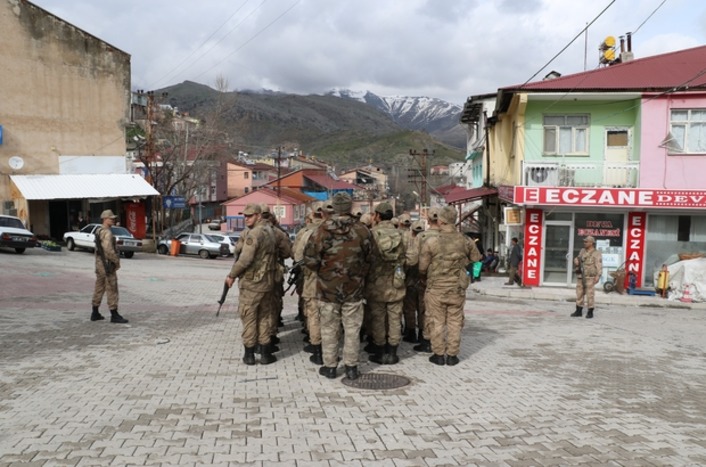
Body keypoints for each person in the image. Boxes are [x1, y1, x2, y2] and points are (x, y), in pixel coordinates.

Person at [303, 192, 372, 380]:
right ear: (350, 207)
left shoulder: (321, 230)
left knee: (328, 327)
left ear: (334, 207)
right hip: (354, 288)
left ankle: (330, 366)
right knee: (352, 329)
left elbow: (309, 260)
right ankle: (351, 367)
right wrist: (358, 273)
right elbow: (371, 257)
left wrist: (324, 272)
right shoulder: (362, 230)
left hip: (327, 288)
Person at [418, 206, 481, 365]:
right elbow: (476, 258)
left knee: (436, 321)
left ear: (440, 221)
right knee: (455, 321)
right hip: (457, 289)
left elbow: (422, 267)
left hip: (436, 289)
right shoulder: (466, 240)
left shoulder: (431, 241)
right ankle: (452, 356)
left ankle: (438, 355)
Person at [225, 203, 278, 365]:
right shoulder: (270, 231)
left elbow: (245, 259)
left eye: (250, 216)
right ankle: (265, 354)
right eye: (245, 216)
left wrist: (232, 275)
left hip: (252, 283)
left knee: (248, 317)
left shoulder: (254, 234)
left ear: (259, 216)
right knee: (264, 317)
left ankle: (249, 355)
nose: (246, 219)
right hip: (267, 281)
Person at [366, 202, 407, 365]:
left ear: (378, 215)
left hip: (376, 283)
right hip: (396, 282)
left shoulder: (371, 234)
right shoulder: (402, 234)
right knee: (395, 318)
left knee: (378, 318)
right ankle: (393, 353)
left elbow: (366, 258)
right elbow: (408, 259)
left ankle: (380, 352)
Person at [293, 204, 325, 364]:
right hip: (334, 285)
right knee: (332, 317)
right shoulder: (338, 232)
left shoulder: (306, 234)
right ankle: (331, 350)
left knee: (313, 316)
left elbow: (297, 256)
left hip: (312, 281)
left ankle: (317, 350)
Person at [90, 209, 128, 323]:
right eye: (111, 218)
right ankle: (114, 314)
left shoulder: (98, 231)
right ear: (105, 219)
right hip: (107, 265)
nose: (113, 220)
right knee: (112, 288)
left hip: (99, 264)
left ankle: (95, 312)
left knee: (99, 288)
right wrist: (116, 261)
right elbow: (108, 249)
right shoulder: (107, 232)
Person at [571, 235, 603, 319]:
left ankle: (590, 311)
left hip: (590, 277)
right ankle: (578, 310)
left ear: (591, 243)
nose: (584, 243)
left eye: (586, 242)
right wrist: (576, 261)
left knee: (590, 294)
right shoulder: (582, 251)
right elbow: (577, 259)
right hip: (581, 276)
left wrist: (598, 276)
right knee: (579, 294)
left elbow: (599, 265)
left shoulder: (596, 253)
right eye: (584, 241)